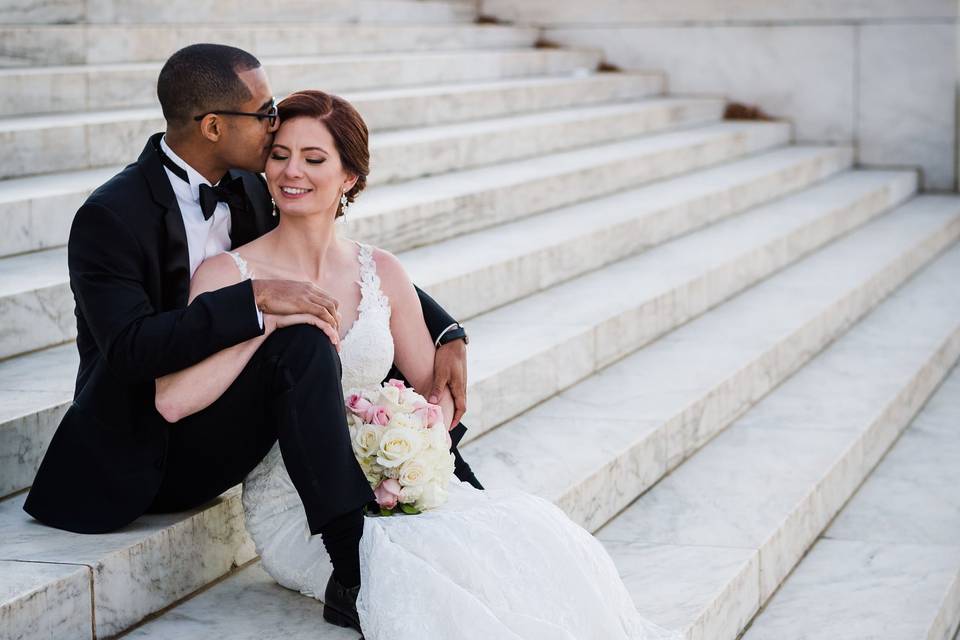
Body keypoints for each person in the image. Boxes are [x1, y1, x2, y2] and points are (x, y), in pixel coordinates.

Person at [161, 89, 681, 640]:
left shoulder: (380, 270)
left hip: (389, 481)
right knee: (427, 576)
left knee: (531, 538)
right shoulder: (228, 274)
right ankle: (351, 565)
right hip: (296, 506)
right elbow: (175, 399)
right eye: (280, 154)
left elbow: (432, 392)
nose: (293, 172)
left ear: (350, 179)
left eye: (315, 160)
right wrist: (263, 320)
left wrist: (425, 421)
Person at [23, 43, 482, 610]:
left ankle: (445, 479)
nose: (275, 128)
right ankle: (350, 560)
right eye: (265, 114)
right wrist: (255, 302)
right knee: (304, 337)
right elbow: (130, 351)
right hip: (146, 439)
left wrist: (448, 333)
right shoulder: (111, 217)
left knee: (337, 332)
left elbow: (340, 268)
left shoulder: (251, 185)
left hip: (233, 403)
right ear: (214, 125)